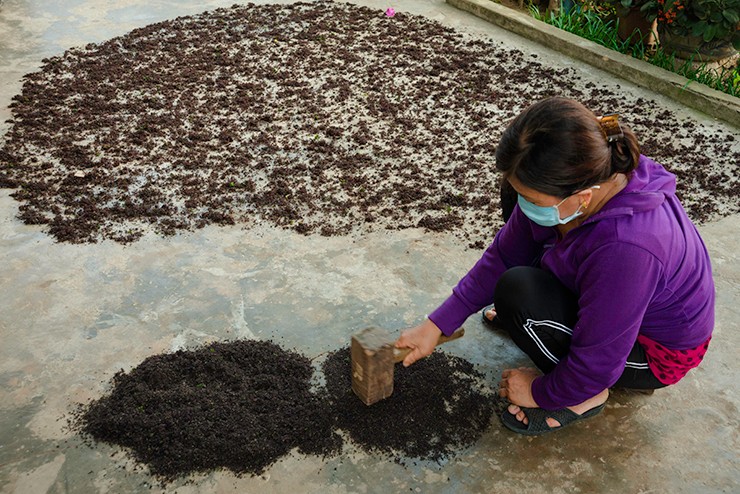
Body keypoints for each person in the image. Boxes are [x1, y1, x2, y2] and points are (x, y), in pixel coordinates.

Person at [395, 97, 715, 436]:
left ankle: (584, 399)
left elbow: (598, 364)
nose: (524, 205)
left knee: (517, 293)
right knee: (518, 242)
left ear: (583, 197)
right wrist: (437, 323)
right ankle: (550, 322)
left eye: (532, 200)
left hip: (652, 351)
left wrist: (540, 392)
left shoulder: (627, 248)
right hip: (613, 297)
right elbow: (506, 254)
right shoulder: (592, 172)